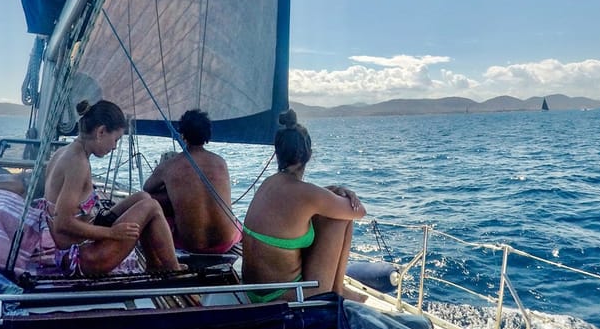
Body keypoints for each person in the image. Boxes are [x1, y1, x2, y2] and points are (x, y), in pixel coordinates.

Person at [241, 109, 367, 303]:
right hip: (282, 297)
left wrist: (333, 190)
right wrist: (346, 193)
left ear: (278, 153)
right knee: (341, 219)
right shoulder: (306, 194)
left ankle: (339, 288)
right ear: (309, 154)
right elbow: (359, 212)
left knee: (331, 208)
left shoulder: (269, 183)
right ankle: (337, 290)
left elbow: (301, 202)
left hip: (254, 291)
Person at [43, 99, 181, 275]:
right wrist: (112, 233)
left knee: (143, 197)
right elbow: (62, 224)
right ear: (101, 132)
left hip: (78, 245)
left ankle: (154, 265)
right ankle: (174, 271)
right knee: (152, 207)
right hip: (78, 259)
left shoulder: (64, 152)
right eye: (115, 139)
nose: (115, 147)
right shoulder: (78, 164)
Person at [142, 109, 240, 254]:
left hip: (192, 245)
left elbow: (147, 189)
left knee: (154, 204)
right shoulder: (220, 162)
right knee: (236, 223)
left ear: (182, 135)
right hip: (225, 242)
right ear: (208, 134)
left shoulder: (169, 166)